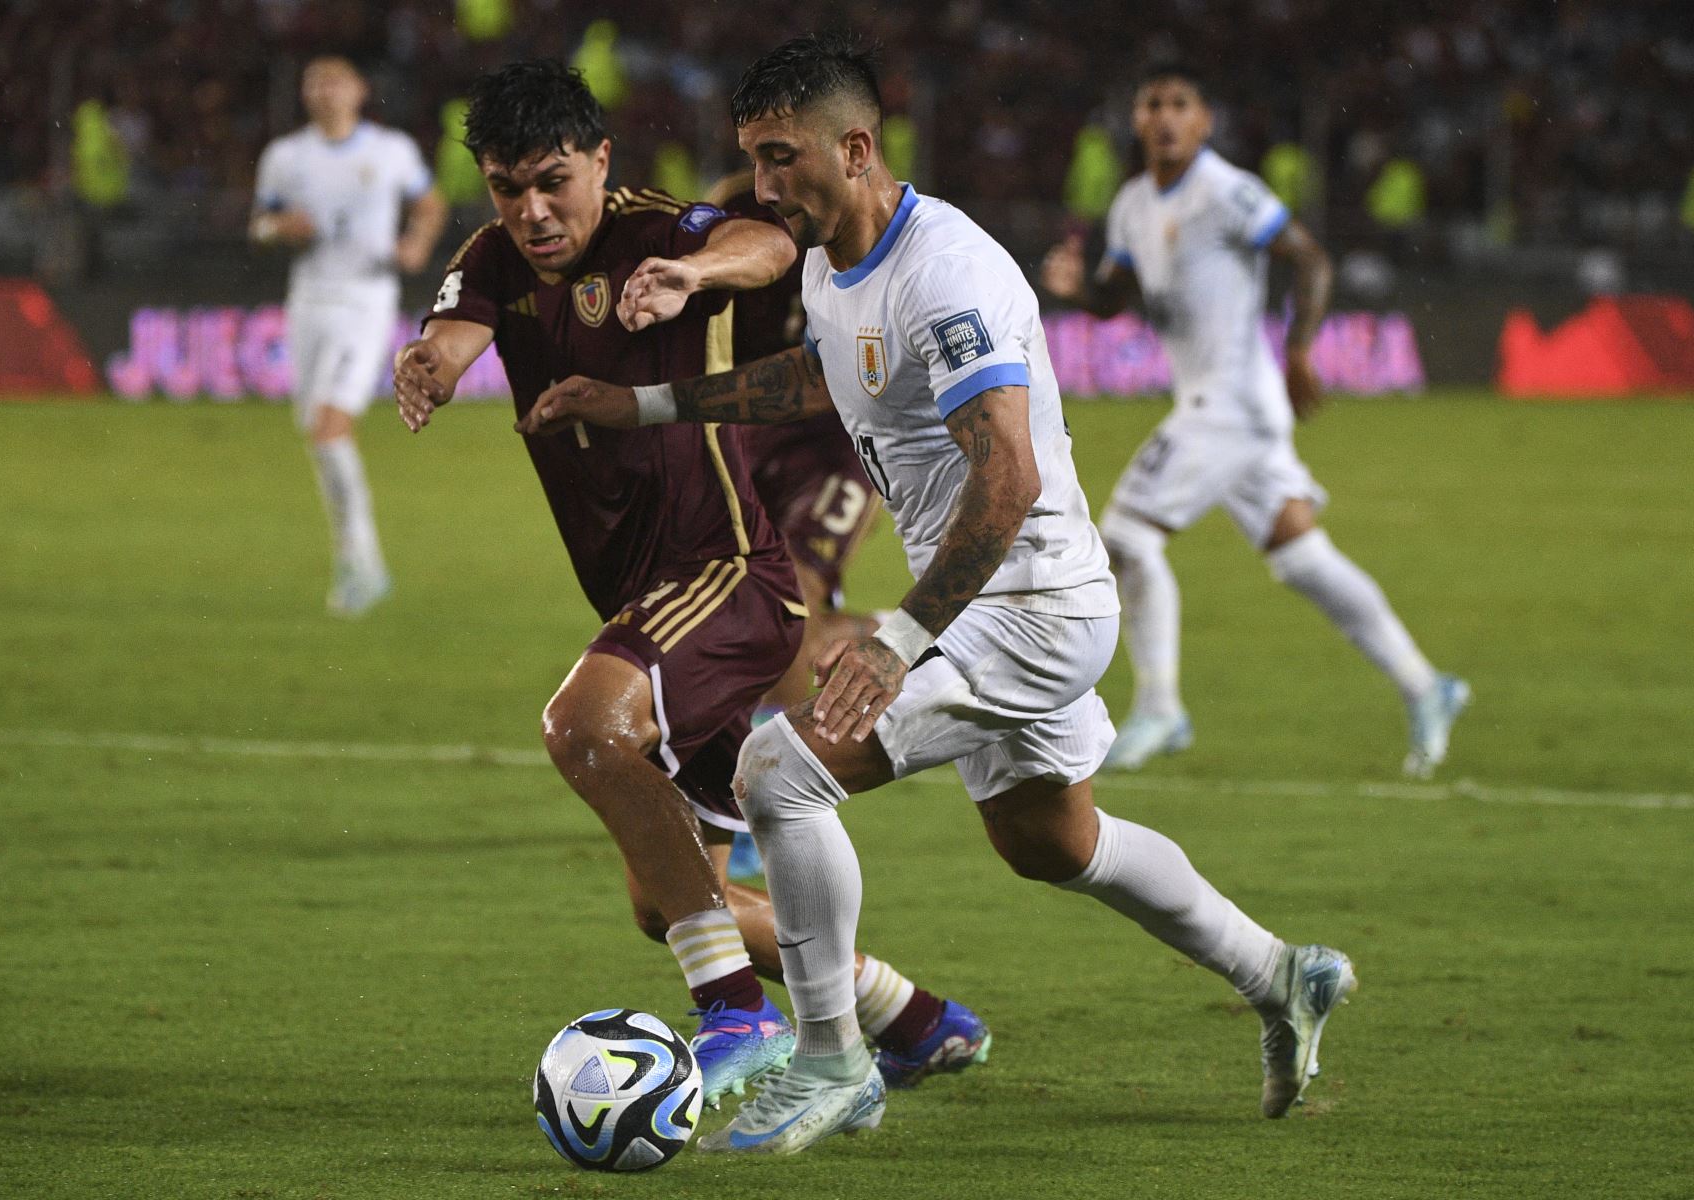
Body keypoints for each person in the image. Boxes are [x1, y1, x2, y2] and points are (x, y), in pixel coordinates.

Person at [525, 33, 1357, 1155]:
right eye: (752, 162)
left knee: (784, 768)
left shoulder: (948, 273)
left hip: (1032, 606)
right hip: (995, 607)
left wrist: (901, 633)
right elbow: (815, 377)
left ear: (855, 146)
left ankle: (832, 1060)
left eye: (783, 160)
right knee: (1053, 842)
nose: (764, 189)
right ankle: (1282, 974)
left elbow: (1006, 476)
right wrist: (649, 408)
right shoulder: (830, 261)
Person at [391, 60, 986, 1104]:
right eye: (505, 186)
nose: (531, 211)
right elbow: (456, 327)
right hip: (646, 599)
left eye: (551, 180)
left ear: (601, 162)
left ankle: (734, 1016)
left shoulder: (657, 232)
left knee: (584, 725)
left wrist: (694, 278)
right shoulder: (491, 257)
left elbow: (766, 241)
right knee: (671, 895)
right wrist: (431, 366)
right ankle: (912, 1016)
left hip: (727, 573)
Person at [1040, 63, 1469, 777]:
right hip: (1215, 407)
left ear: (1204, 122)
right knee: (1304, 559)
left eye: (1182, 104)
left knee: (1126, 537)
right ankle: (1428, 686)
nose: (1167, 116)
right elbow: (1115, 301)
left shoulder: (1226, 190)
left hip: (1233, 401)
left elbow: (1310, 260)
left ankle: (1161, 706)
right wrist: (1074, 290)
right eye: (1154, 104)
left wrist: (1299, 348)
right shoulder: (1132, 205)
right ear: (1138, 120)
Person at [708, 167, 885, 885]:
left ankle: (757, 800)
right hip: (752, 430)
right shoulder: (729, 211)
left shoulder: (858, 208)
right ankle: (914, 636)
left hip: (836, 442)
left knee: (795, 592)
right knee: (755, 605)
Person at [249, 57, 446, 616]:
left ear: (360, 91)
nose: (326, 90)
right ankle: (356, 559)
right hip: (309, 300)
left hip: (366, 300)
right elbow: (258, 224)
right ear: (305, 93)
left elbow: (430, 204)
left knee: (331, 427)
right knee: (317, 432)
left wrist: (417, 245)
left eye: (337, 80)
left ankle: (363, 567)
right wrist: (278, 228)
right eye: (315, 81)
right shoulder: (285, 157)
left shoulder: (389, 150)